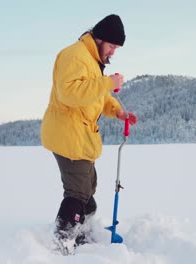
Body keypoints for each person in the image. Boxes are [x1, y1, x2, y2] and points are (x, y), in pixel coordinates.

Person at [40, 14, 138, 252]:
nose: (113, 52)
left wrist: (118, 112)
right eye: (112, 46)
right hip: (67, 134)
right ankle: (62, 239)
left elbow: (98, 97)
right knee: (78, 190)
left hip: (79, 135)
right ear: (101, 38)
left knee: (88, 185)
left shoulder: (92, 62)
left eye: (116, 48)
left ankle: (83, 231)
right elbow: (70, 94)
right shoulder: (75, 55)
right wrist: (107, 83)